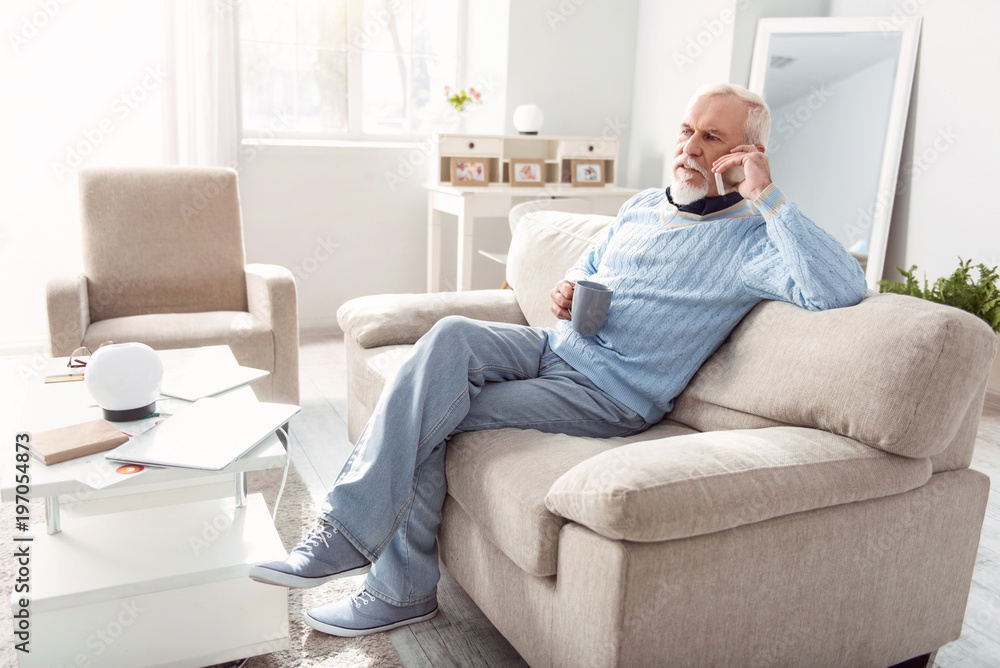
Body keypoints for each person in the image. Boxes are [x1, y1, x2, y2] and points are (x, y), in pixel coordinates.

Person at [249, 82, 868, 637]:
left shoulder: (751, 240)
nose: (691, 146)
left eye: (713, 137)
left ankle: (387, 580)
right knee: (449, 337)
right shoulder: (641, 207)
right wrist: (568, 288)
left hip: (609, 394)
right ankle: (353, 541)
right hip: (556, 347)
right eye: (686, 129)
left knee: (432, 412)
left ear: (745, 154)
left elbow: (838, 288)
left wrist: (767, 195)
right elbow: (593, 267)